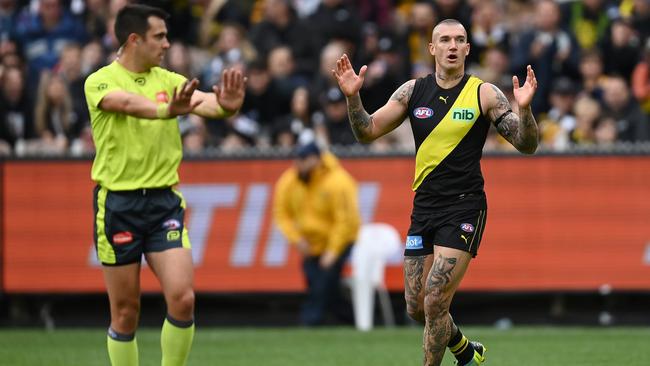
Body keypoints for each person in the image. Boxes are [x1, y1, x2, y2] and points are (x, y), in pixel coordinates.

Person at [332, 19, 539, 366]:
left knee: (434, 300)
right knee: (416, 307)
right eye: (444, 40)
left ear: (468, 49)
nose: (452, 45)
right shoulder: (413, 91)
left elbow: (526, 144)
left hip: (464, 207)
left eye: (460, 39)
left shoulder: (484, 93)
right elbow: (367, 131)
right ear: (432, 49)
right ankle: (465, 351)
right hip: (424, 207)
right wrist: (353, 98)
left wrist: (526, 109)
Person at [83, 4, 245, 366]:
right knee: (126, 312)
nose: (167, 44)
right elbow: (124, 103)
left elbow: (204, 102)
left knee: (183, 299)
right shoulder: (100, 80)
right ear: (134, 39)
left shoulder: (168, 79)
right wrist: (165, 111)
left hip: (163, 205)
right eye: (160, 36)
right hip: (118, 206)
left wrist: (227, 106)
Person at [272, 140, 361, 326]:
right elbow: (281, 213)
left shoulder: (338, 181)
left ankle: (310, 322)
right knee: (319, 284)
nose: (299, 165)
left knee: (322, 281)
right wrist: (297, 239)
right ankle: (350, 319)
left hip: (341, 240)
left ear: (316, 160)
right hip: (311, 243)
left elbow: (344, 221)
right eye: (297, 159)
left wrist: (332, 251)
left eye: (304, 160)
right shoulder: (290, 180)